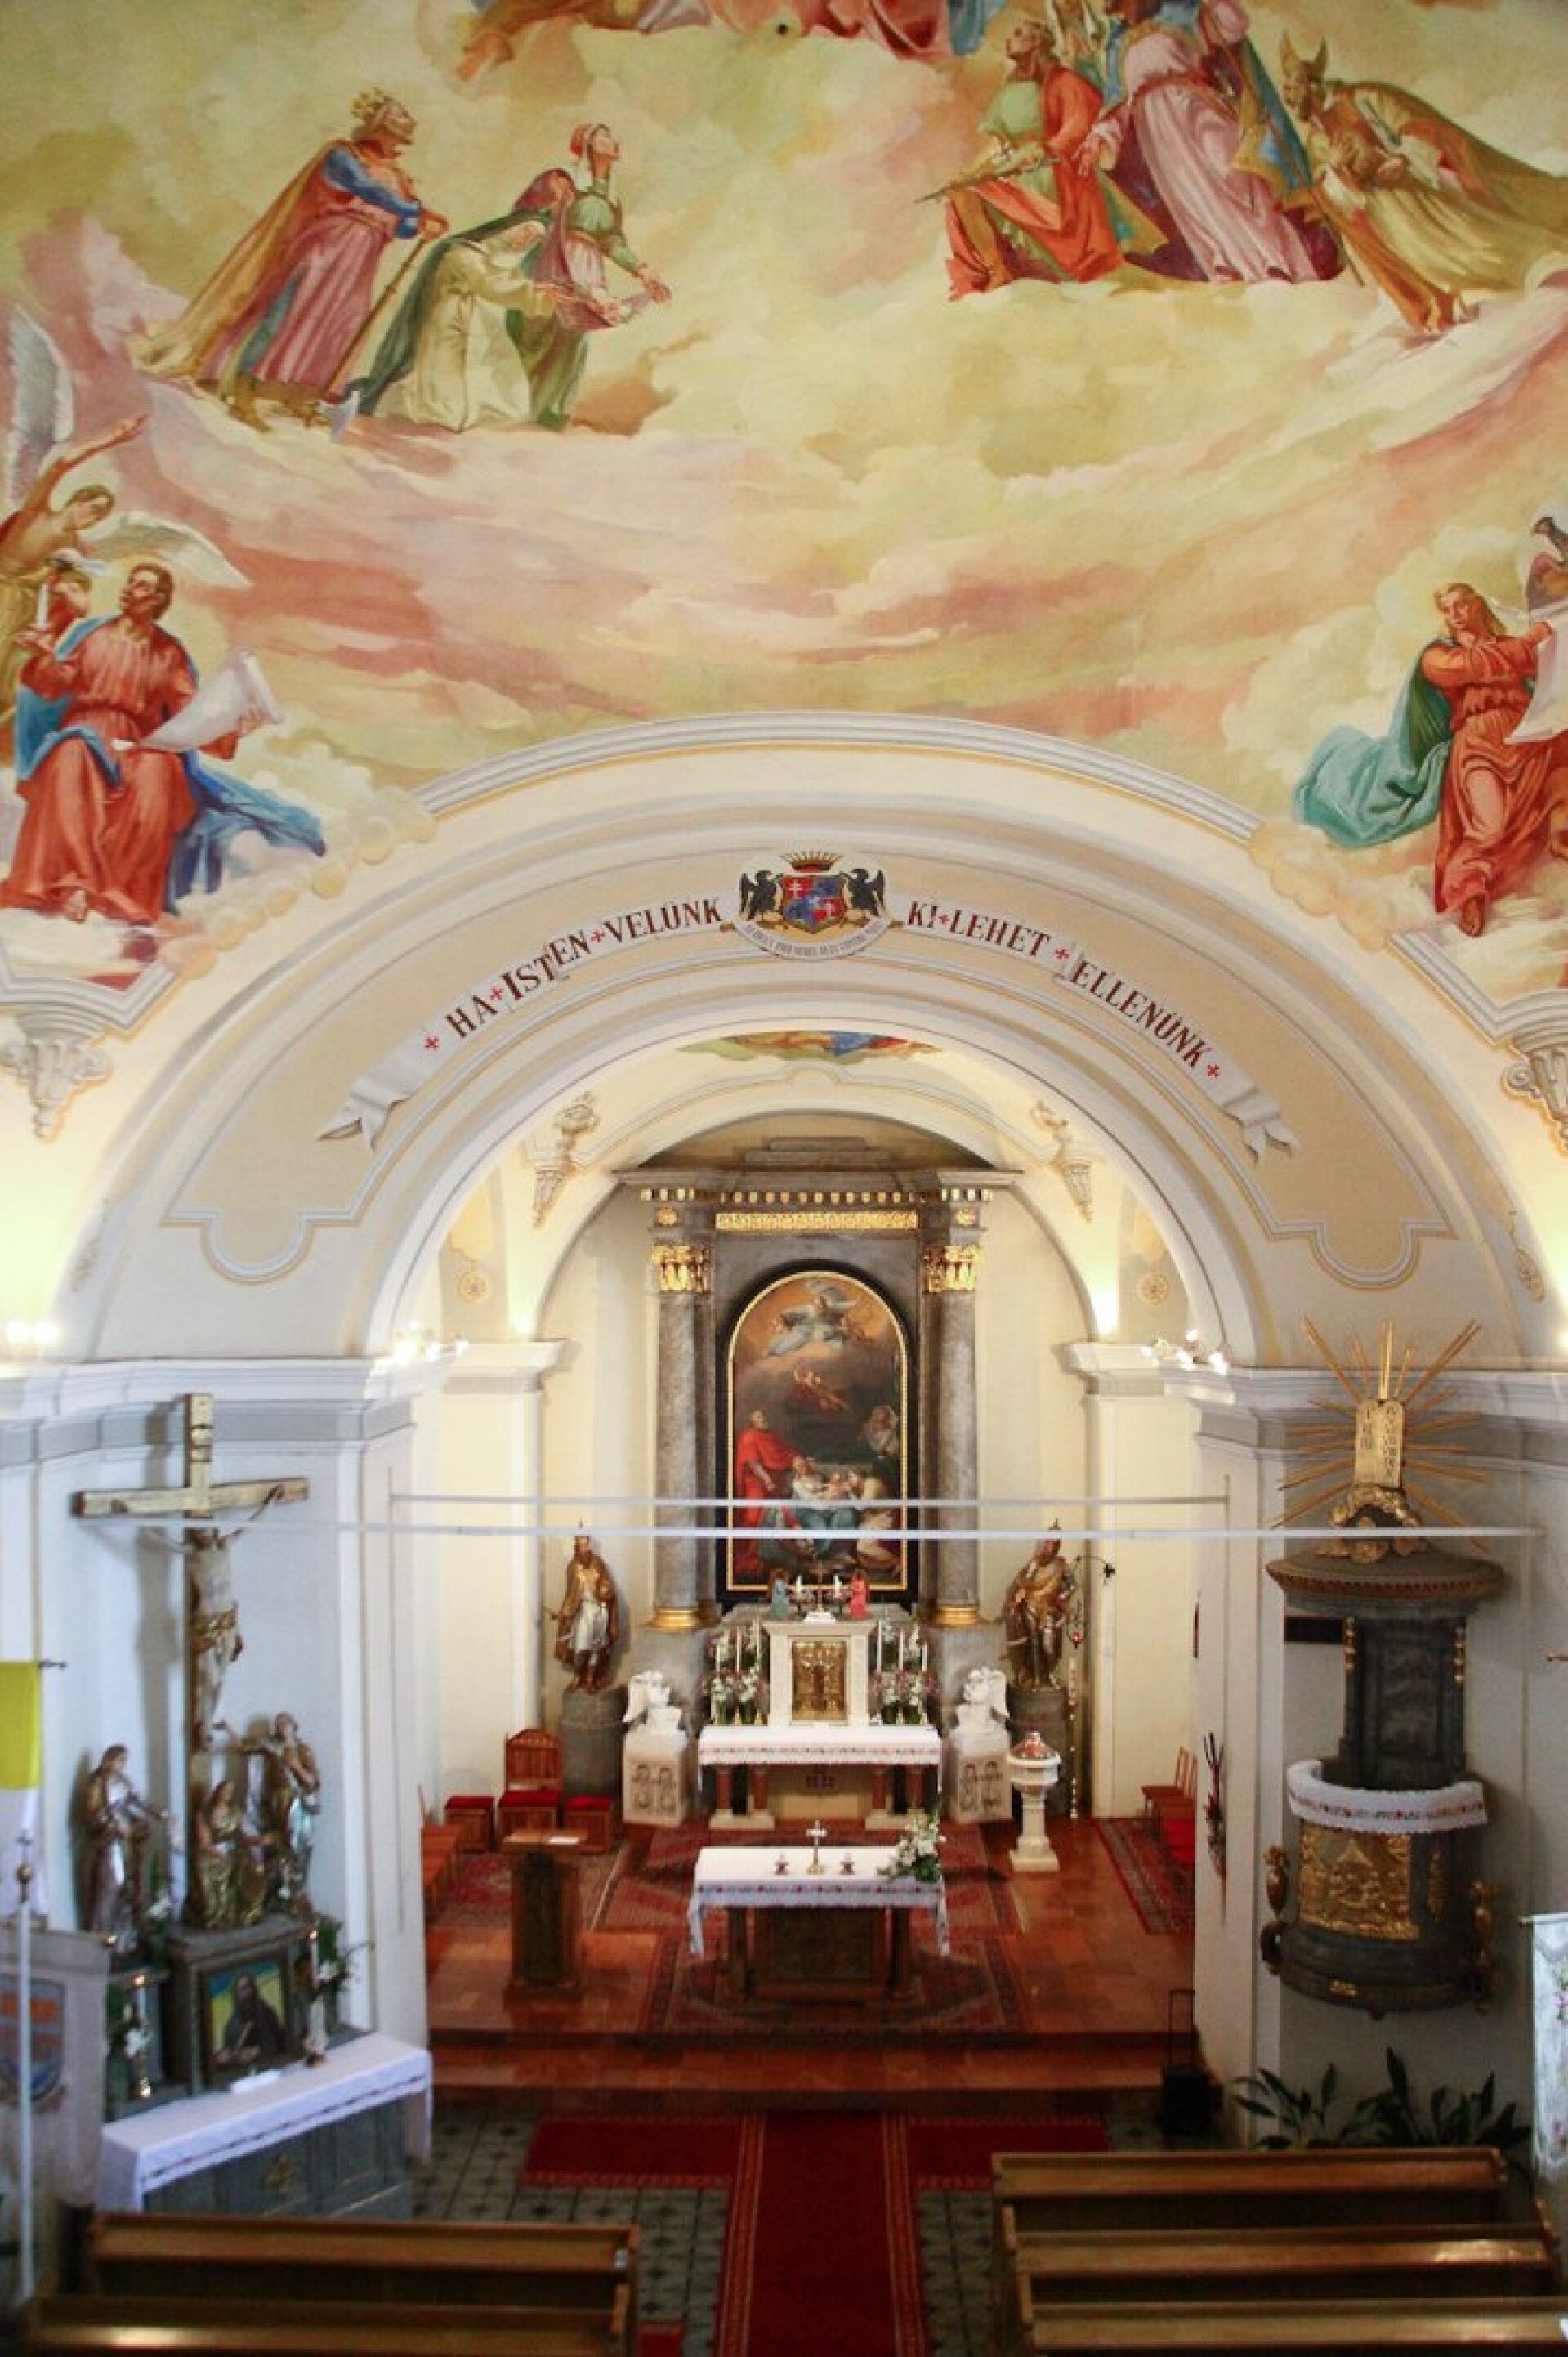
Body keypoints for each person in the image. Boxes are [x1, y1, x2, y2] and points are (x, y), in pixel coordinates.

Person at [2, 564, 324, 928]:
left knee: (158, 771)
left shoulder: (169, 654)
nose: (129, 590)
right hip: (86, 727)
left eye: (141, 586)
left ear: (157, 600)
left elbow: (191, 717)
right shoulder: (95, 635)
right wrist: (44, 654)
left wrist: (234, 727)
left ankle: (123, 891)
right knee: (72, 754)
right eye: (130, 582)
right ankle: (72, 882)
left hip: (136, 742)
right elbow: (56, 683)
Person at [132, 92, 448, 431]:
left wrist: (421, 226)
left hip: (361, 260)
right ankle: (244, 392)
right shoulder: (343, 156)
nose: (397, 145)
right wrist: (418, 211)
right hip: (327, 244)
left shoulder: (400, 178)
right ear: (375, 130)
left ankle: (300, 395)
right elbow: (367, 189)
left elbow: (402, 227)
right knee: (289, 313)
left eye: (400, 139)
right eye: (392, 135)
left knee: (339, 323)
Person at [1293, 584, 1568, 937]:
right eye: (1447, 609)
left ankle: (1561, 835)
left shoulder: (1512, 648)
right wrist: (1530, 641)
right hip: (1480, 746)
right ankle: (1469, 891)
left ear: (1477, 605)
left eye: (1461, 605)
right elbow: (1472, 666)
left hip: (1528, 742)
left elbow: (1549, 673)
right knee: (1488, 825)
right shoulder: (1438, 656)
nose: (1455, 614)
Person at [1280, 36, 1568, 338]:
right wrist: (1336, 168)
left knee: (1473, 242)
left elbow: (1417, 126)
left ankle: (1533, 266)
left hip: (1420, 192)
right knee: (1430, 262)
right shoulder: (1316, 141)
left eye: (1293, 86)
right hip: (1388, 218)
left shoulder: (1365, 98)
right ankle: (1465, 300)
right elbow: (1333, 198)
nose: (1290, 96)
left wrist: (1402, 159)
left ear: (1311, 83)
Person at [1085, 0, 1332, 285]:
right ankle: (1225, 264)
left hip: (1193, 105)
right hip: (1155, 131)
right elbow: (1116, 103)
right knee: (1191, 197)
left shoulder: (1181, 11)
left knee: (1236, 176)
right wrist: (1099, 136)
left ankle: (1276, 260)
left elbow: (1232, 26)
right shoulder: (1117, 44)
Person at [945, 16, 1157, 299]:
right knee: (962, 193)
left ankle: (1035, 262)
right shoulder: (1007, 93)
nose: (1010, 39)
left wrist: (1044, 150)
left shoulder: (1063, 80)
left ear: (1036, 42)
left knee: (984, 191)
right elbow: (997, 143)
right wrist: (969, 172)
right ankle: (997, 269)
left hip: (1053, 167)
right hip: (1015, 166)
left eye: (1018, 33)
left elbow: (1078, 125)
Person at [507, 126, 671, 432]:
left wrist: (642, 270)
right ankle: (526, 408)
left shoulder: (611, 199)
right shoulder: (564, 179)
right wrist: (539, 221)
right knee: (541, 332)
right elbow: (532, 212)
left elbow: (613, 243)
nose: (613, 140)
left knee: (575, 338)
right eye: (603, 135)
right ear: (587, 144)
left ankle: (553, 415)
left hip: (588, 268)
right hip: (554, 261)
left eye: (612, 136)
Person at [0, 413, 143, 739]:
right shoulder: (37, 513)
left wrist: (70, 591)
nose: (93, 518)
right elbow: (60, 466)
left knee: (9, 673)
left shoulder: (75, 549)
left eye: (100, 517)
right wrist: (110, 439)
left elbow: (77, 603)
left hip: (22, 611)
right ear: (78, 500)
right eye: (93, 509)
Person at [347, 212, 556, 429]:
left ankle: (481, 411)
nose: (525, 239)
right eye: (525, 231)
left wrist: (544, 294)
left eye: (534, 239)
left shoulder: (511, 266)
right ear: (506, 229)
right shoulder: (463, 253)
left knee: (502, 385)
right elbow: (488, 285)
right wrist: (536, 293)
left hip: (487, 325)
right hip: (452, 320)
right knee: (446, 388)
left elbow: (510, 289)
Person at [83, 1746, 165, 1951]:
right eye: (118, 1760)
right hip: (108, 1842)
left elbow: (138, 1801)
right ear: (108, 1760)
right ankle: (99, 1937)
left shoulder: (123, 1781)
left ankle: (122, 1941)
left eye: (124, 1761)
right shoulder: (96, 1783)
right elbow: (93, 1814)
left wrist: (160, 1814)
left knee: (127, 1888)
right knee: (109, 1887)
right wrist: (116, 1826)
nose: (121, 1765)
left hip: (126, 1842)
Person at [236, 1712, 321, 1907]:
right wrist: (226, 1727)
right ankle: (278, 1891)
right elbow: (243, 1747)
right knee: (275, 1844)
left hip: (295, 1803)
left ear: (294, 1725)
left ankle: (296, 1891)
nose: (282, 1726)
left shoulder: (303, 1750)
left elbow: (313, 1782)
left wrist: (297, 1768)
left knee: (296, 1844)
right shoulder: (271, 1749)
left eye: (285, 1722)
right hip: (275, 1803)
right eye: (278, 1723)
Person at [1003, 1531, 1078, 1688]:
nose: (1048, 1547)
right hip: (1030, 1605)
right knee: (1033, 1643)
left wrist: (1060, 1598)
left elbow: (1072, 1586)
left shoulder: (1061, 1565)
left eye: (1052, 1544)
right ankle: (1036, 1679)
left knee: (1047, 1646)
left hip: (1048, 1608)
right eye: (1047, 1543)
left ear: (1057, 1546)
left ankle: (1051, 1675)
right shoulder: (1035, 1562)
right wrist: (1018, 1597)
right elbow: (1023, 1583)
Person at [192, 1777, 269, 1928]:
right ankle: (218, 1913)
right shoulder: (204, 1814)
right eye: (225, 1790)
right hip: (213, 1852)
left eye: (230, 1791)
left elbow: (244, 1836)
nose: (227, 1794)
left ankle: (249, 1911)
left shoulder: (235, 1812)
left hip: (235, 1850)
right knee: (217, 1867)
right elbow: (204, 1842)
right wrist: (218, 1852)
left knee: (252, 1870)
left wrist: (259, 1840)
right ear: (218, 1792)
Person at [554, 1532, 620, 1691]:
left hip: (600, 1611)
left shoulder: (598, 1563)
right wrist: (564, 1612)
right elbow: (570, 1593)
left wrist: (606, 1592)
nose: (584, 1551)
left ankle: (590, 1679)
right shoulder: (572, 1567)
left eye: (586, 1547)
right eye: (580, 1548)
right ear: (576, 1549)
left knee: (596, 1648)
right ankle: (578, 1676)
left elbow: (607, 1586)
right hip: (583, 1611)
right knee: (581, 1647)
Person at [219, 1969, 288, 2065]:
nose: (247, 1993)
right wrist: (228, 2057)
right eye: (242, 1989)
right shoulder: (231, 2026)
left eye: (249, 1987)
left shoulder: (268, 2014)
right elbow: (228, 2056)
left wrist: (256, 2052)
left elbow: (279, 2044)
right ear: (236, 1994)